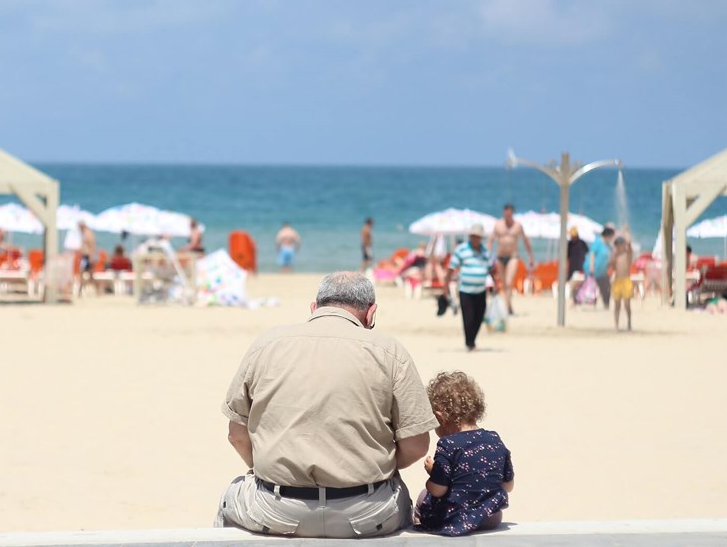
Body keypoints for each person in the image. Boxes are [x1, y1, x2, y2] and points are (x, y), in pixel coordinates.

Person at [216, 272, 436, 538]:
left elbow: (236, 435)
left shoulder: (267, 344)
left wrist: (268, 468)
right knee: (404, 499)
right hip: (367, 512)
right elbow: (416, 445)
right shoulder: (390, 351)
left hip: (277, 509)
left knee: (230, 497)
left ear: (314, 308)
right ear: (371, 314)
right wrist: (375, 466)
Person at [413, 371, 514, 536]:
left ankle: (421, 526)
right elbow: (507, 486)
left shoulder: (448, 444)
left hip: (457, 516)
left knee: (423, 496)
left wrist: (433, 473)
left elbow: (438, 490)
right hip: (492, 517)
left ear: (440, 417)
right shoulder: (494, 439)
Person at [445, 225, 492, 352]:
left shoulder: (485, 252)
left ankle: (472, 340)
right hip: (465, 290)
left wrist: (496, 285)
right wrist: (445, 287)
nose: (474, 238)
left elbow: (491, 269)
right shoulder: (461, 250)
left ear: (480, 238)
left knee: (479, 317)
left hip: (481, 290)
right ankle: (470, 343)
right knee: (468, 317)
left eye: (477, 236)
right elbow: (451, 268)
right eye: (473, 236)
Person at [487, 204, 534, 315]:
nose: (507, 215)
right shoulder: (498, 225)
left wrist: (530, 256)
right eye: (506, 213)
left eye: (509, 213)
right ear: (504, 213)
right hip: (500, 257)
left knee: (508, 283)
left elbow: (525, 240)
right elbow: (490, 240)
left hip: (513, 256)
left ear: (512, 213)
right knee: (503, 284)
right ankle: (509, 307)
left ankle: (506, 309)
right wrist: (487, 255)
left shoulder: (517, 226)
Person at [585, 227, 615, 309]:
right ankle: (578, 302)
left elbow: (611, 255)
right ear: (608, 235)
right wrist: (591, 267)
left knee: (606, 287)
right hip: (594, 270)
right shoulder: (598, 242)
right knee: (592, 287)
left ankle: (606, 304)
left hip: (602, 271)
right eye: (612, 236)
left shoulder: (608, 245)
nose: (612, 238)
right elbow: (592, 254)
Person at [611, 230, 634, 331]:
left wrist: (626, 232)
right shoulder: (615, 255)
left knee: (627, 304)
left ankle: (629, 322)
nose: (618, 247)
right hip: (617, 281)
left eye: (620, 245)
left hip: (626, 280)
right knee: (617, 305)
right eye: (617, 245)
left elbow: (629, 244)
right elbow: (612, 266)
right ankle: (616, 325)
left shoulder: (627, 254)